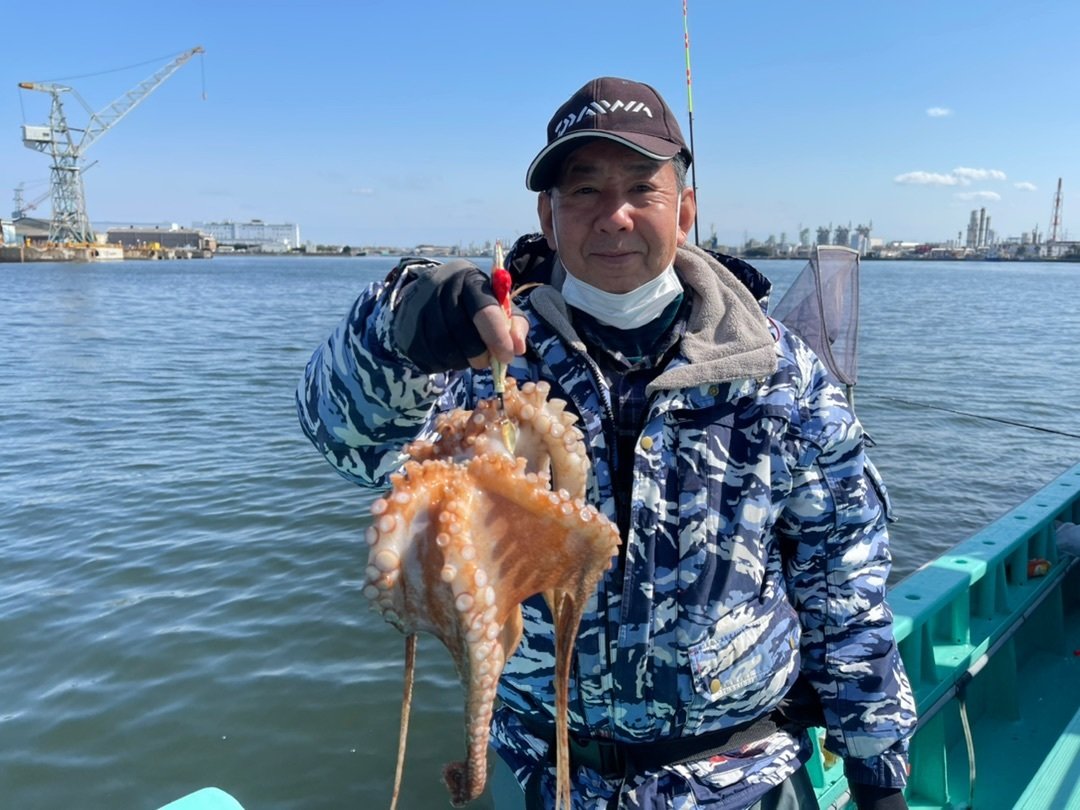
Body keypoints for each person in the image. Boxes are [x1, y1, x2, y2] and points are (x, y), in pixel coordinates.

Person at [297, 76, 917, 809]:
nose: (614, 216)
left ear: (684, 210)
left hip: (739, 778)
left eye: (641, 189)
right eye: (583, 190)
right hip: (547, 780)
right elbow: (349, 435)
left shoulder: (777, 375)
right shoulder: (486, 365)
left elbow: (841, 577)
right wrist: (400, 323)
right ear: (547, 216)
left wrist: (877, 771)